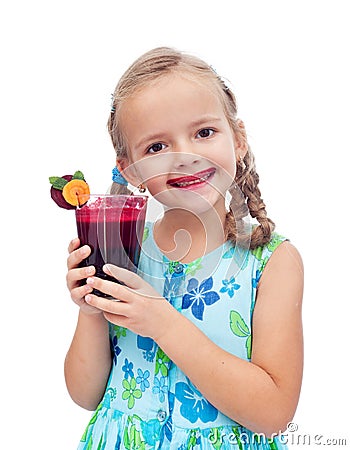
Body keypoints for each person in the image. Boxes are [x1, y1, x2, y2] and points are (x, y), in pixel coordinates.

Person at [65, 47, 303, 449]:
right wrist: (90, 312)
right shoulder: (122, 252)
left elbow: (274, 414)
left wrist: (162, 321)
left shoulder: (271, 262)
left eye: (204, 133)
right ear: (130, 170)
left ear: (238, 140)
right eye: (156, 148)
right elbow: (86, 395)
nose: (185, 156)